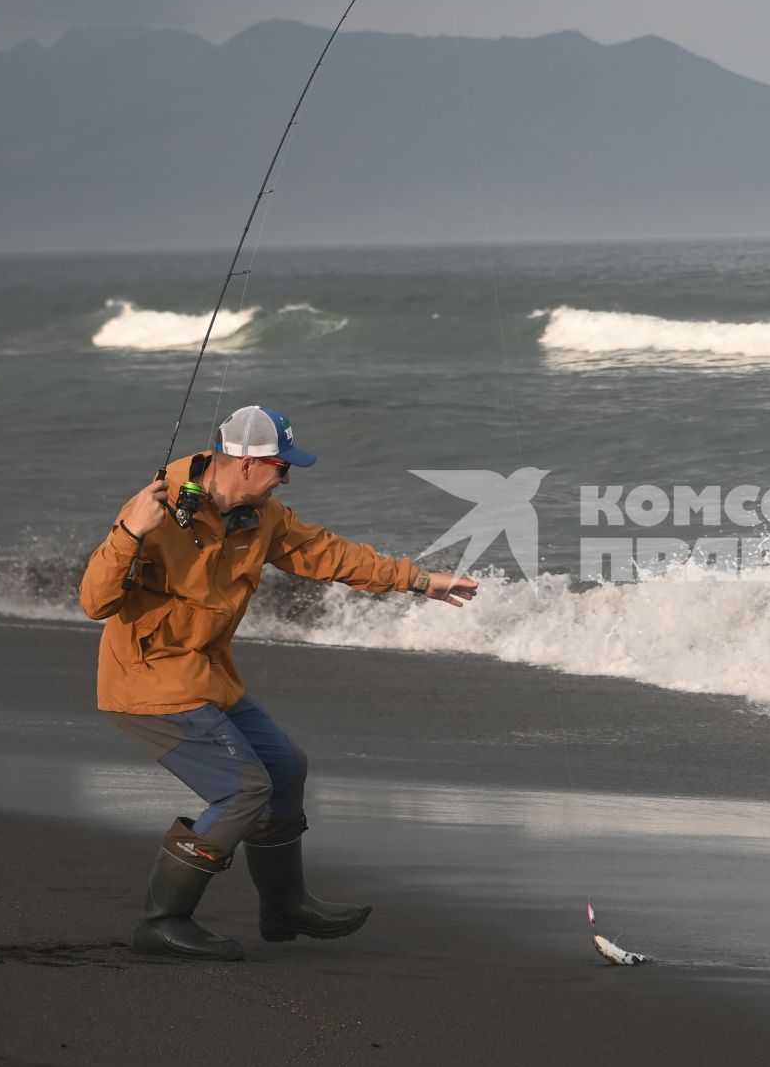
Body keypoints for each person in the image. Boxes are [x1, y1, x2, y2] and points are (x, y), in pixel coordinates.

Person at [78, 405, 478, 961]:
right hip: (148, 682)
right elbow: (96, 601)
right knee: (243, 789)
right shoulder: (157, 510)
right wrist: (128, 532)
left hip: (208, 674)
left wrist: (420, 581)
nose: (287, 477)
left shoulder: (260, 514)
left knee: (286, 768)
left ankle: (283, 904)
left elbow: (329, 554)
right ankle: (162, 921)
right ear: (245, 462)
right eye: (281, 466)